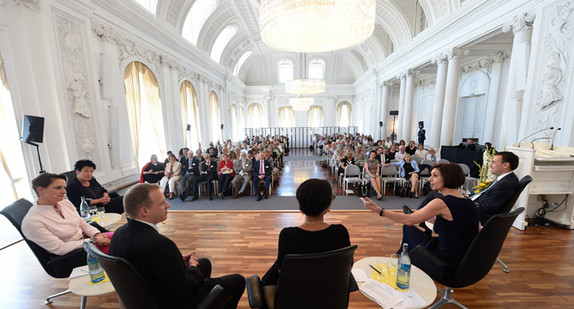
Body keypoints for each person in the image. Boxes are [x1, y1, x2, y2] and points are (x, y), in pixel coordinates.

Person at [108, 183, 245, 309]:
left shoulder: (118, 235)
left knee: (205, 263)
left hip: (143, 295)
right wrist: (192, 268)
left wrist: (177, 261)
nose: (168, 205)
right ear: (145, 211)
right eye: (162, 203)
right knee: (237, 281)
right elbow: (181, 290)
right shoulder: (160, 244)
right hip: (169, 302)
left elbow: (147, 263)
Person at [361, 163, 479, 277]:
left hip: (445, 261)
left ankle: (405, 260)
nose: (430, 179)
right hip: (464, 260)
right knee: (411, 235)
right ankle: (406, 255)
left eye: (435, 175)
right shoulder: (469, 202)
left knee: (408, 228)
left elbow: (409, 220)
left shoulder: (441, 202)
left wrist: (379, 211)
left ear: (448, 178)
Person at [261, 179, 351, 286]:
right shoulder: (340, 232)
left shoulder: (287, 235)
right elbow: (348, 267)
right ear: (328, 206)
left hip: (296, 296)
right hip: (331, 296)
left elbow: (281, 271)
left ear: (300, 204)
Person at [22, 173, 112, 256]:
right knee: (121, 245)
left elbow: (83, 224)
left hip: (88, 242)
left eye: (64, 188)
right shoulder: (32, 221)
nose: (64, 192)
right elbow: (61, 248)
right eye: (58, 188)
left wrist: (96, 235)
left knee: (121, 236)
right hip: (75, 254)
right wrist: (94, 241)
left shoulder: (65, 203)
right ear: (40, 190)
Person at [471, 151, 520, 224]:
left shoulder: (506, 184)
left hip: (478, 217)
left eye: (493, 162)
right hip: (477, 209)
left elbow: (487, 208)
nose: (490, 165)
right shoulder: (506, 179)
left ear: (505, 165)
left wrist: (466, 203)